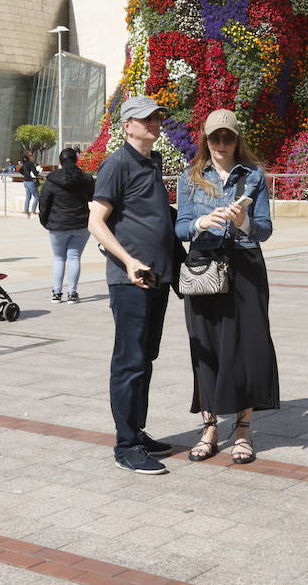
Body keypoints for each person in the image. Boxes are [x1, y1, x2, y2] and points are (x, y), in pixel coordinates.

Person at [175, 110, 277, 464]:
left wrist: (244, 219)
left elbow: (265, 229)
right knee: (207, 345)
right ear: (206, 139)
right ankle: (210, 427)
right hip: (204, 266)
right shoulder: (191, 176)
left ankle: (244, 428)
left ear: (237, 139)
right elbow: (180, 227)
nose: (221, 144)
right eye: (215, 138)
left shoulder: (253, 176)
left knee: (249, 347)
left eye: (227, 138)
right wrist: (202, 222)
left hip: (246, 267)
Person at [88, 96, 180, 474]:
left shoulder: (152, 162)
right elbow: (95, 221)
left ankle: (137, 431)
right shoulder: (118, 163)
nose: (155, 123)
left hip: (158, 277)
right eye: (146, 119)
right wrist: (129, 262)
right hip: (133, 281)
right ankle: (125, 445)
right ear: (127, 125)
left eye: (158, 118)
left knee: (145, 358)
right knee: (129, 361)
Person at [39, 147, 94, 304]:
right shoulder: (86, 178)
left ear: (60, 162)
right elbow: (92, 196)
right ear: (76, 160)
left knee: (58, 258)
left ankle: (56, 293)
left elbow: (44, 201)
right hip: (81, 224)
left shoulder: (52, 179)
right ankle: (72, 293)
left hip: (58, 225)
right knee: (74, 257)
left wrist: (45, 221)